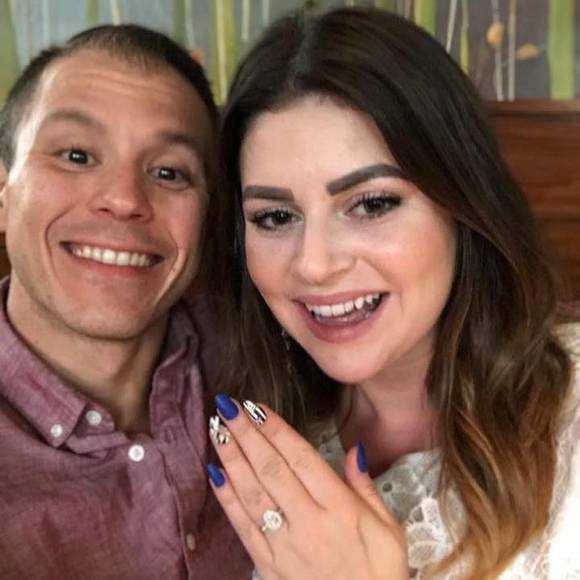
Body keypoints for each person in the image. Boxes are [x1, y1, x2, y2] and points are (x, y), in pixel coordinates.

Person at [206, 7, 580, 580]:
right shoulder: (261, 426)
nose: (314, 265)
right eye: (275, 216)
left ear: (463, 204)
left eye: (372, 204)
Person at [0, 25, 252, 579]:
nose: (123, 199)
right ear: (3, 190)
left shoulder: (263, 353)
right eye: (76, 155)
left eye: (168, 172)